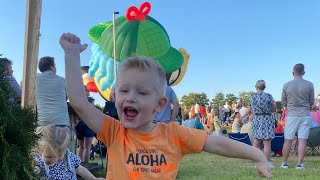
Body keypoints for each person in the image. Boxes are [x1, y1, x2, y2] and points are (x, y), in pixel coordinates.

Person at [60, 33, 272, 179]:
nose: (130, 97)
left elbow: (217, 144)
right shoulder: (114, 132)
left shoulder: (174, 134)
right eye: (124, 91)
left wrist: (258, 155)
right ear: (115, 97)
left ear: (160, 104)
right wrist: (71, 56)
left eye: (142, 92)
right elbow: (79, 102)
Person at [33, 125, 105, 180]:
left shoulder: (69, 157)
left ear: (65, 149)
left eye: (60, 156)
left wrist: (94, 179)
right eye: (49, 157)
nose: (54, 160)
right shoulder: (37, 161)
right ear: (39, 150)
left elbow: (80, 169)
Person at [281, 63, 314, 169]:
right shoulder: (309, 84)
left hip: (292, 114)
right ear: (303, 72)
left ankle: (285, 163)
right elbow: (311, 101)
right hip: (305, 114)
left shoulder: (286, 85)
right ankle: (300, 164)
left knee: (288, 140)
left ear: (293, 72)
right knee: (302, 140)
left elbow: (283, 101)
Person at [248, 80, 276, 168]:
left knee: (256, 141)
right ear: (264, 87)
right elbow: (273, 108)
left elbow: (250, 109)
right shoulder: (268, 96)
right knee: (267, 143)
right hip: (267, 118)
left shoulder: (252, 97)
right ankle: (267, 163)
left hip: (256, 119)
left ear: (256, 87)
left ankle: (256, 162)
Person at [35, 56, 69, 128]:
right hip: (61, 120)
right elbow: (65, 98)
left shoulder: (35, 78)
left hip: (43, 121)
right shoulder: (63, 80)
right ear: (52, 66)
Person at [75, 86, 96, 163]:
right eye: (87, 90)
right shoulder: (90, 100)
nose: (89, 91)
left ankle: (78, 165)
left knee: (81, 147)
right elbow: (93, 111)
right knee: (87, 147)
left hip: (78, 125)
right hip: (87, 124)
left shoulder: (77, 100)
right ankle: (86, 166)